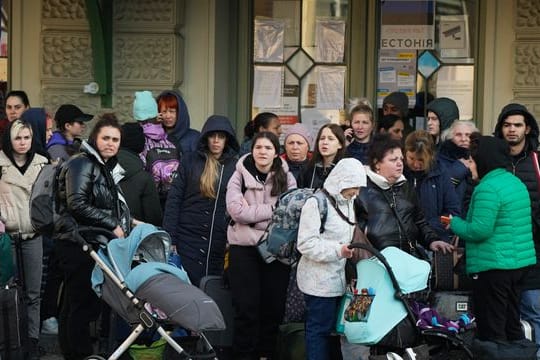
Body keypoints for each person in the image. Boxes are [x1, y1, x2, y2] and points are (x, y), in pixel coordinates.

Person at [53, 114, 131, 360]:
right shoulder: (83, 163)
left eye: (115, 139)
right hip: (77, 242)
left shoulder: (103, 167)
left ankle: (73, 352)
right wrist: (112, 224)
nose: (110, 143)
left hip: (86, 240)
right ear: (95, 139)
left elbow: (100, 203)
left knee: (75, 303)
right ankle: (79, 353)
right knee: (82, 303)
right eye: (105, 137)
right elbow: (77, 203)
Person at [449, 135, 536, 342]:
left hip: (494, 266)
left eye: (472, 160)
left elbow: (479, 230)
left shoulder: (488, 188)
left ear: (484, 160)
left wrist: (454, 223)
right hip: (519, 265)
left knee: (492, 327)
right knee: (511, 323)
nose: (469, 165)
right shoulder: (516, 183)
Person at [226, 131, 296, 359]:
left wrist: (252, 215)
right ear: (251, 150)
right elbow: (236, 211)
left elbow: (290, 212)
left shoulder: (287, 177)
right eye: (258, 147)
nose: (262, 152)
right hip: (243, 249)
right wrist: (272, 210)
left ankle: (266, 354)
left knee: (273, 309)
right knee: (246, 309)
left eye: (268, 148)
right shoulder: (238, 175)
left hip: (275, 249)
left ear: (276, 152)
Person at [296, 158, 367, 360]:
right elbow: (306, 244)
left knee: (334, 332)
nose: (356, 192)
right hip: (318, 283)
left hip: (338, 280)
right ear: (341, 182)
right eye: (353, 187)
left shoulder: (348, 201)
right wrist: (338, 251)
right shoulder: (316, 203)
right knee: (319, 331)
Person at [163, 115, 239, 286]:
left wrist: (231, 238)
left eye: (221, 136)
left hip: (217, 240)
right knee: (185, 288)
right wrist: (171, 238)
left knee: (212, 289)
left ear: (227, 139)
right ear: (206, 137)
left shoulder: (235, 167)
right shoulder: (190, 160)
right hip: (187, 238)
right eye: (212, 136)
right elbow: (174, 200)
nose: (216, 141)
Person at [355, 134, 454, 255]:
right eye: (393, 160)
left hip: (406, 259)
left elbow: (419, 222)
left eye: (401, 159)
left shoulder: (405, 186)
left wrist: (432, 240)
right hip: (374, 261)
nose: (400, 164)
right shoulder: (360, 190)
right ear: (377, 163)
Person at [493, 103, 540, 355]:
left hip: (532, 253)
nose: (512, 130)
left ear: (527, 128)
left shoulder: (536, 162)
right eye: (507, 125)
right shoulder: (489, 161)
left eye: (518, 125)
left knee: (534, 311)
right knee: (501, 319)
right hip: (498, 254)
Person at [0, 119, 48, 359]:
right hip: (6, 238)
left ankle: (31, 341)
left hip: (33, 236)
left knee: (33, 293)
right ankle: (8, 341)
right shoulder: (0, 163)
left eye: (26, 137)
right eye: (17, 137)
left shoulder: (43, 164)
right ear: (9, 139)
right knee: (6, 292)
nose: (22, 142)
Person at [403, 130, 461, 243]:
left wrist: (426, 227)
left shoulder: (441, 173)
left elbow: (453, 212)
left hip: (436, 237)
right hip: (405, 239)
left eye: (421, 160)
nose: (416, 164)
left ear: (431, 156)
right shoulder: (399, 173)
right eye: (411, 158)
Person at [134, 90, 180, 208]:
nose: (167, 115)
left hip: (147, 199)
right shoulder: (169, 138)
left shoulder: (135, 137)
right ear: (157, 114)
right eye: (164, 111)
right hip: (172, 197)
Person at [117, 122, 162, 226]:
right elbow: (154, 218)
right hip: (136, 236)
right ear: (141, 144)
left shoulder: (101, 169)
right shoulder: (145, 178)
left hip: (105, 234)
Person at [437, 120, 479, 213]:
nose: (463, 139)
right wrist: (460, 167)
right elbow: (439, 188)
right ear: (450, 137)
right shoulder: (440, 159)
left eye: (468, 135)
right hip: (449, 217)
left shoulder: (481, 158)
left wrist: (475, 177)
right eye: (458, 135)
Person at [298, 123, 347, 189]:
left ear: (340, 144)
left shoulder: (345, 170)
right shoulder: (307, 170)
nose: (325, 142)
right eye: (322, 138)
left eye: (330, 139)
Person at [156, 90, 200, 154]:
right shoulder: (154, 137)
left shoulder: (194, 138)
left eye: (172, 111)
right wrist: (153, 124)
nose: (168, 116)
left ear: (180, 113)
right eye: (164, 112)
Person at [346, 99, 375, 164]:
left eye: (365, 122)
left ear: (372, 125)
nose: (360, 127)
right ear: (350, 124)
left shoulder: (379, 148)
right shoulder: (345, 147)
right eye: (356, 122)